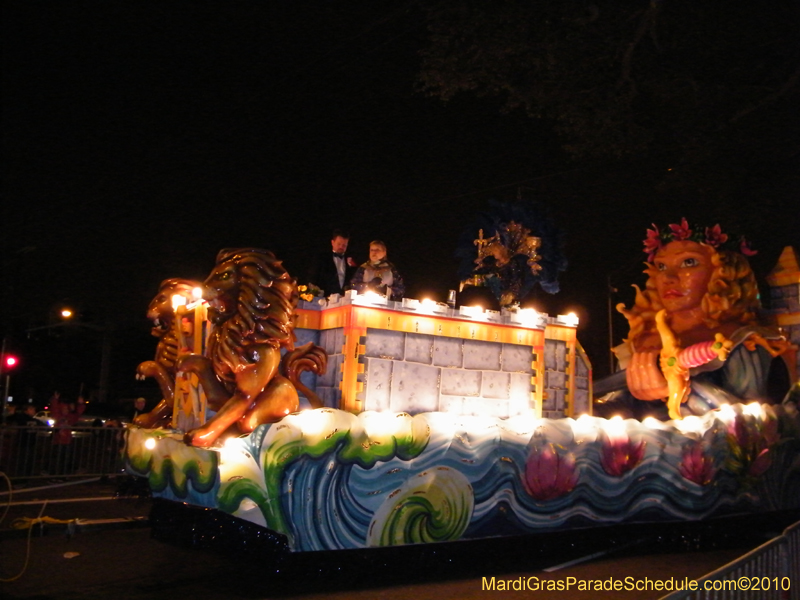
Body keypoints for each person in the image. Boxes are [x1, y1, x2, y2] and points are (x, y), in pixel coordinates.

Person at [594, 219, 789, 420]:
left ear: (723, 271)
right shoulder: (640, 344)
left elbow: (749, 421)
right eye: (661, 266)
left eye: (688, 262)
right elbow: (618, 410)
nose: (668, 277)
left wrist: (677, 388)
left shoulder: (742, 342)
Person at [308, 229, 358, 297]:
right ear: (332, 242)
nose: (341, 247)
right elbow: (313, 277)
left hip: (344, 299)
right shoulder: (322, 258)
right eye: (339, 244)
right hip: (325, 299)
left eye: (344, 245)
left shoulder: (350, 259)